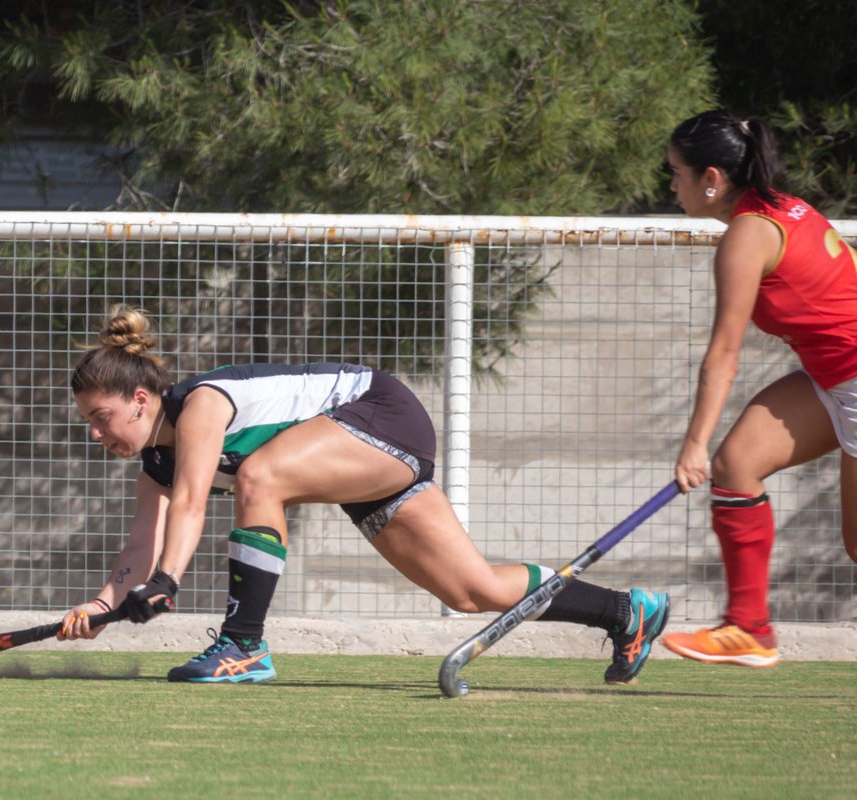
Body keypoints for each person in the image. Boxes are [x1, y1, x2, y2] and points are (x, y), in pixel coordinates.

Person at [60, 305, 670, 685]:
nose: (96, 433)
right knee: (471, 589)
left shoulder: (198, 407)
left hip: (379, 415)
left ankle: (243, 645)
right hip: (354, 455)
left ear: (141, 400)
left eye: (102, 416)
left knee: (260, 476)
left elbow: (191, 506)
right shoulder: (155, 465)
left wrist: (166, 582)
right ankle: (626, 611)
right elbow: (143, 544)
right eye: (89, 422)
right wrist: (102, 608)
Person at [661, 110, 857, 668]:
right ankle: (748, 629)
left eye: (677, 173)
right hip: (832, 376)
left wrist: (693, 443)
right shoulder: (777, 208)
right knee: (737, 465)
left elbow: (723, 355)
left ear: (712, 179)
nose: (671, 185)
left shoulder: (747, 236)